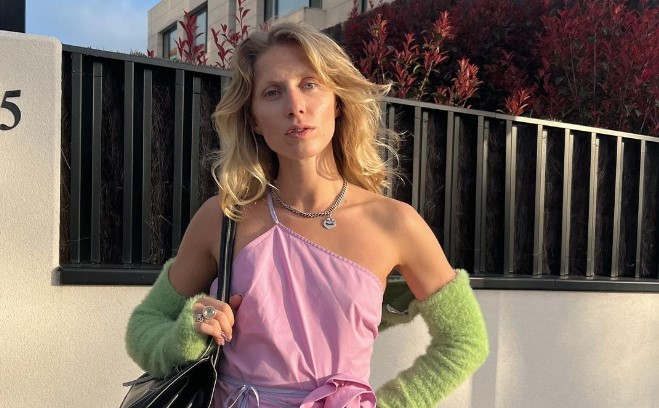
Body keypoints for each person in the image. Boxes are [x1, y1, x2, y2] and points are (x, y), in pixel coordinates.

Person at [125, 21, 489, 407]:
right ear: (253, 118)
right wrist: (189, 332)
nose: (295, 106)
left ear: (338, 100)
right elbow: (144, 327)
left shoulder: (395, 223)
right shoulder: (223, 216)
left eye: (310, 84)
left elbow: (465, 340)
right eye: (272, 92)